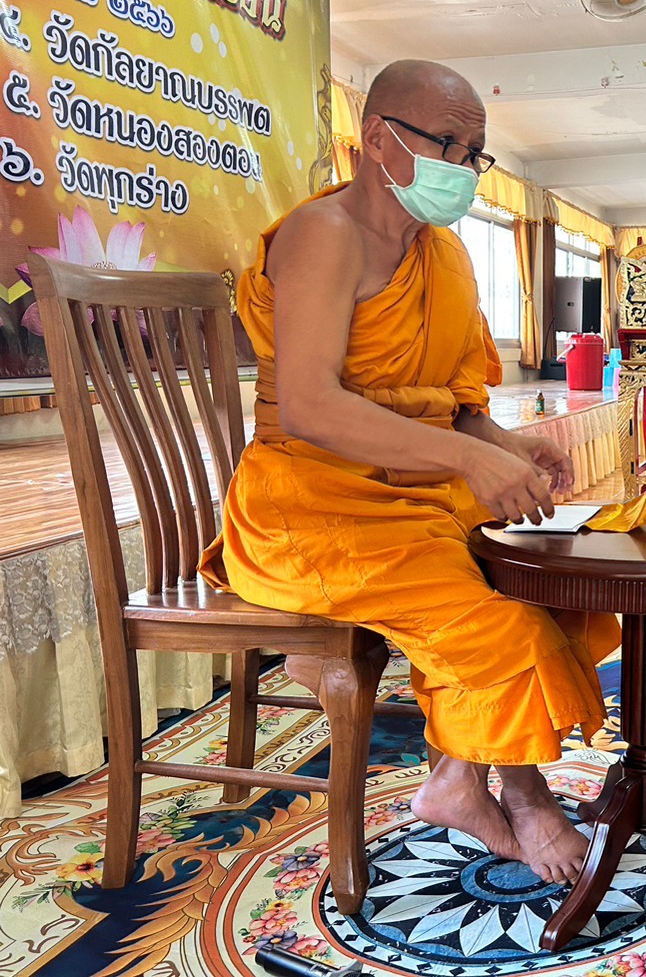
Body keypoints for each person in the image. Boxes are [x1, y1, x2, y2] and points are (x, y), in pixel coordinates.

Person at [200, 59, 618, 885]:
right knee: (498, 622)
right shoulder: (325, 234)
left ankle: (458, 777)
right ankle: (525, 796)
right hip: (311, 503)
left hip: (420, 490)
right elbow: (310, 406)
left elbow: (454, 409)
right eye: (448, 144)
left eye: (474, 152)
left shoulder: (447, 256)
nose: (463, 167)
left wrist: (505, 444)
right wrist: (469, 456)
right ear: (378, 138)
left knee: (559, 578)